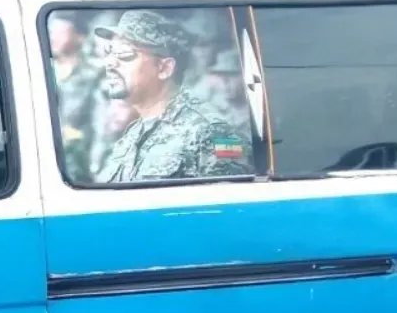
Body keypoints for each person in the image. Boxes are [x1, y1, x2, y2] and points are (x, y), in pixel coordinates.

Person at [93, 9, 253, 183]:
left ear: (164, 68)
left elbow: (229, 203)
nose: (109, 63)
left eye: (124, 54)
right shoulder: (133, 134)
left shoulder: (211, 132)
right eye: (109, 51)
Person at [48, 15, 108, 179]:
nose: (53, 38)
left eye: (61, 33)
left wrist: (96, 168)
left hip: (78, 161)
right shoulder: (37, 69)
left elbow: (102, 127)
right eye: (52, 32)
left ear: (80, 37)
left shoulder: (94, 75)